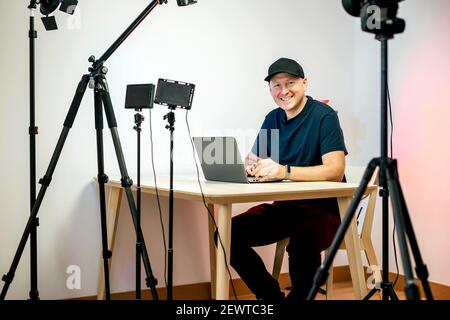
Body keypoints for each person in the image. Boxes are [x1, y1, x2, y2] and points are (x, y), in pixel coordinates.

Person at [229, 57, 347, 301]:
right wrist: (253, 168)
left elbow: (335, 170)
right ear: (270, 89)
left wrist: (284, 171)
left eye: (291, 83)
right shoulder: (273, 118)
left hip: (325, 210)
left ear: (305, 84)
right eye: (276, 85)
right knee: (227, 233)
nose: (284, 91)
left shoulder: (324, 116)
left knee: (303, 239)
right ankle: (272, 298)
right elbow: (252, 159)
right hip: (285, 208)